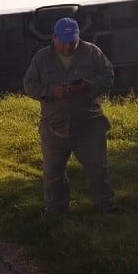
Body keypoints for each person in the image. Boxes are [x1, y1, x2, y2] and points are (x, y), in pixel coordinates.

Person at [23, 17, 119, 214]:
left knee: (97, 169)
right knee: (53, 172)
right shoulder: (41, 58)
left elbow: (108, 75)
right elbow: (29, 85)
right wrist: (51, 91)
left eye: (72, 42)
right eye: (64, 41)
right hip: (54, 128)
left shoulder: (92, 52)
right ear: (54, 38)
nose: (68, 46)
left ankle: (105, 207)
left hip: (89, 125)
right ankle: (56, 210)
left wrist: (89, 86)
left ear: (78, 37)